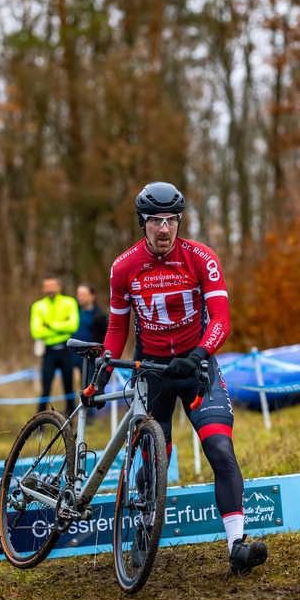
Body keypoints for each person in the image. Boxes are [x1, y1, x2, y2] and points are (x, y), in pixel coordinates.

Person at [96, 181, 267, 576]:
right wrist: (105, 366)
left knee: (220, 448)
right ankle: (143, 532)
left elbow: (221, 320)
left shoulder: (201, 258)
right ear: (142, 223)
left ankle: (237, 546)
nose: (164, 229)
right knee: (155, 457)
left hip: (195, 366)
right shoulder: (124, 267)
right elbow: (117, 329)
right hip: (151, 372)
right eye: (156, 221)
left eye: (171, 220)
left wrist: (198, 355)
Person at [30, 276, 79, 416]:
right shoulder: (38, 306)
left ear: (59, 287)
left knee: (68, 387)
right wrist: (62, 326)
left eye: (52, 286)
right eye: (47, 286)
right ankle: (39, 421)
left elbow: (73, 326)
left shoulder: (69, 302)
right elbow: (36, 331)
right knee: (45, 389)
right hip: (48, 351)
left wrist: (49, 325)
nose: (49, 289)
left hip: (66, 349)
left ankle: (71, 418)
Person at [72, 283, 108, 378]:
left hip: (90, 358)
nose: (79, 297)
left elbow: (104, 337)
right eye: (78, 294)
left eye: (83, 295)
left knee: (88, 383)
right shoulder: (72, 311)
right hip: (73, 356)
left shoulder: (100, 315)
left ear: (92, 296)